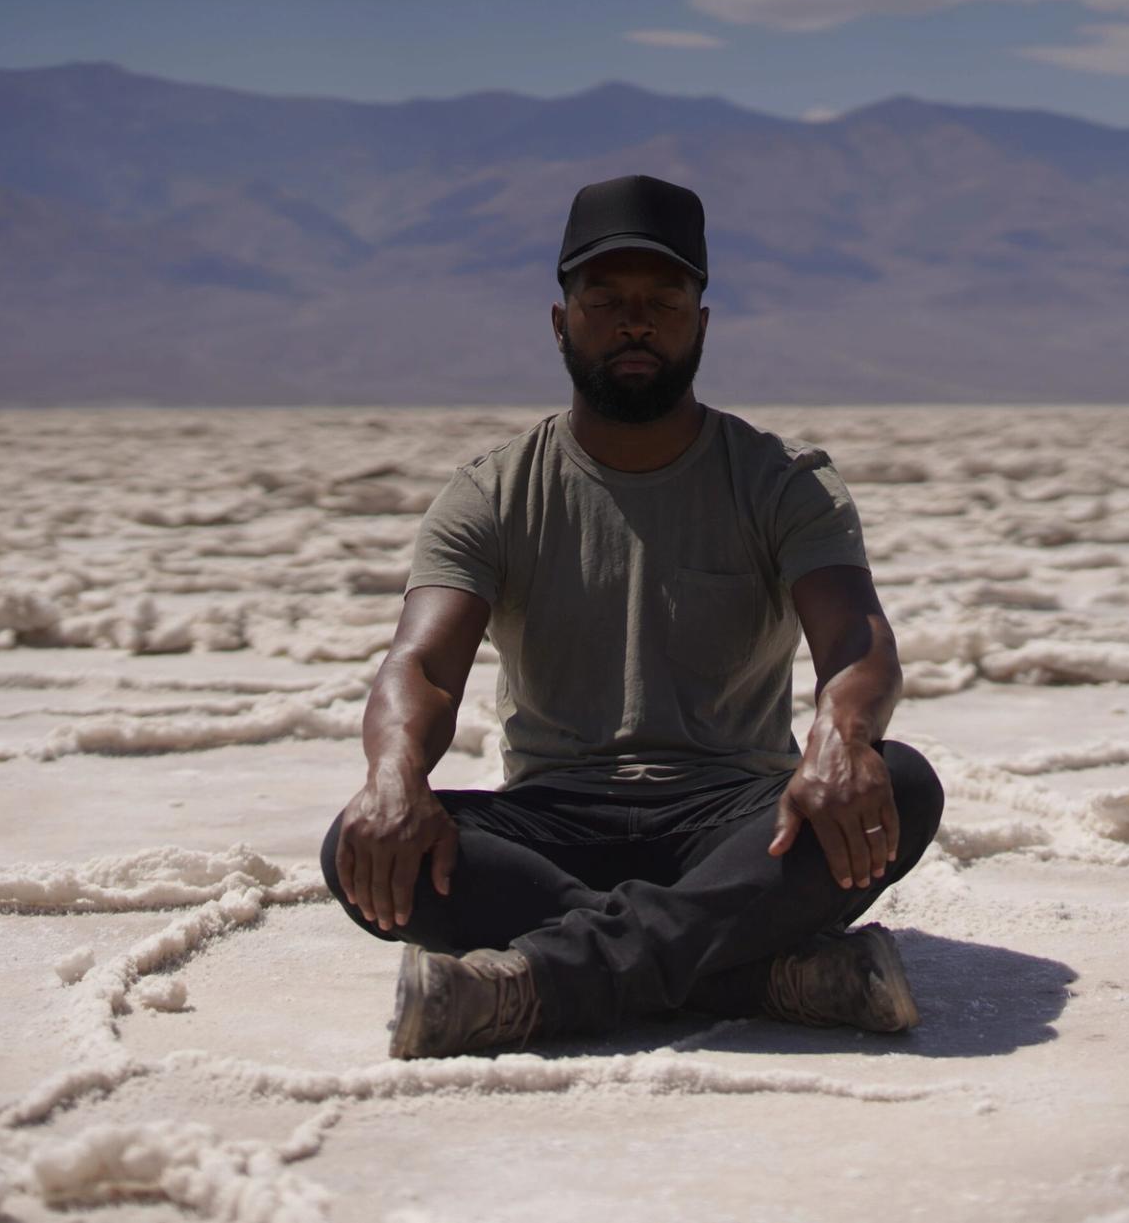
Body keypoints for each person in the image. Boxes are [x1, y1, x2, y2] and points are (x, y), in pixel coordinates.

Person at [320, 174, 945, 1059]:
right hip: (554, 821)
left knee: (902, 783)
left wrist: (842, 736)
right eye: (605, 299)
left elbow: (853, 637)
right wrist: (391, 775)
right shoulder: (492, 490)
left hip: (736, 821)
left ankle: (539, 980)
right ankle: (756, 969)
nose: (634, 321)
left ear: (702, 319)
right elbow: (420, 666)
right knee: (360, 847)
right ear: (560, 320)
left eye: (663, 299)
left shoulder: (780, 481)